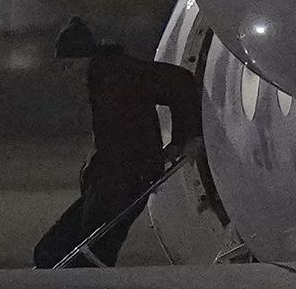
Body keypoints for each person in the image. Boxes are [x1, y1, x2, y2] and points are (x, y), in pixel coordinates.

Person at [34, 18, 201, 268]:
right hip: (112, 178)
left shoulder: (118, 74)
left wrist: (187, 137)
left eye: (70, 65)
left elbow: (179, 81)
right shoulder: (102, 78)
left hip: (124, 179)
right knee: (62, 248)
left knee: (81, 248)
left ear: (84, 58)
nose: (68, 74)